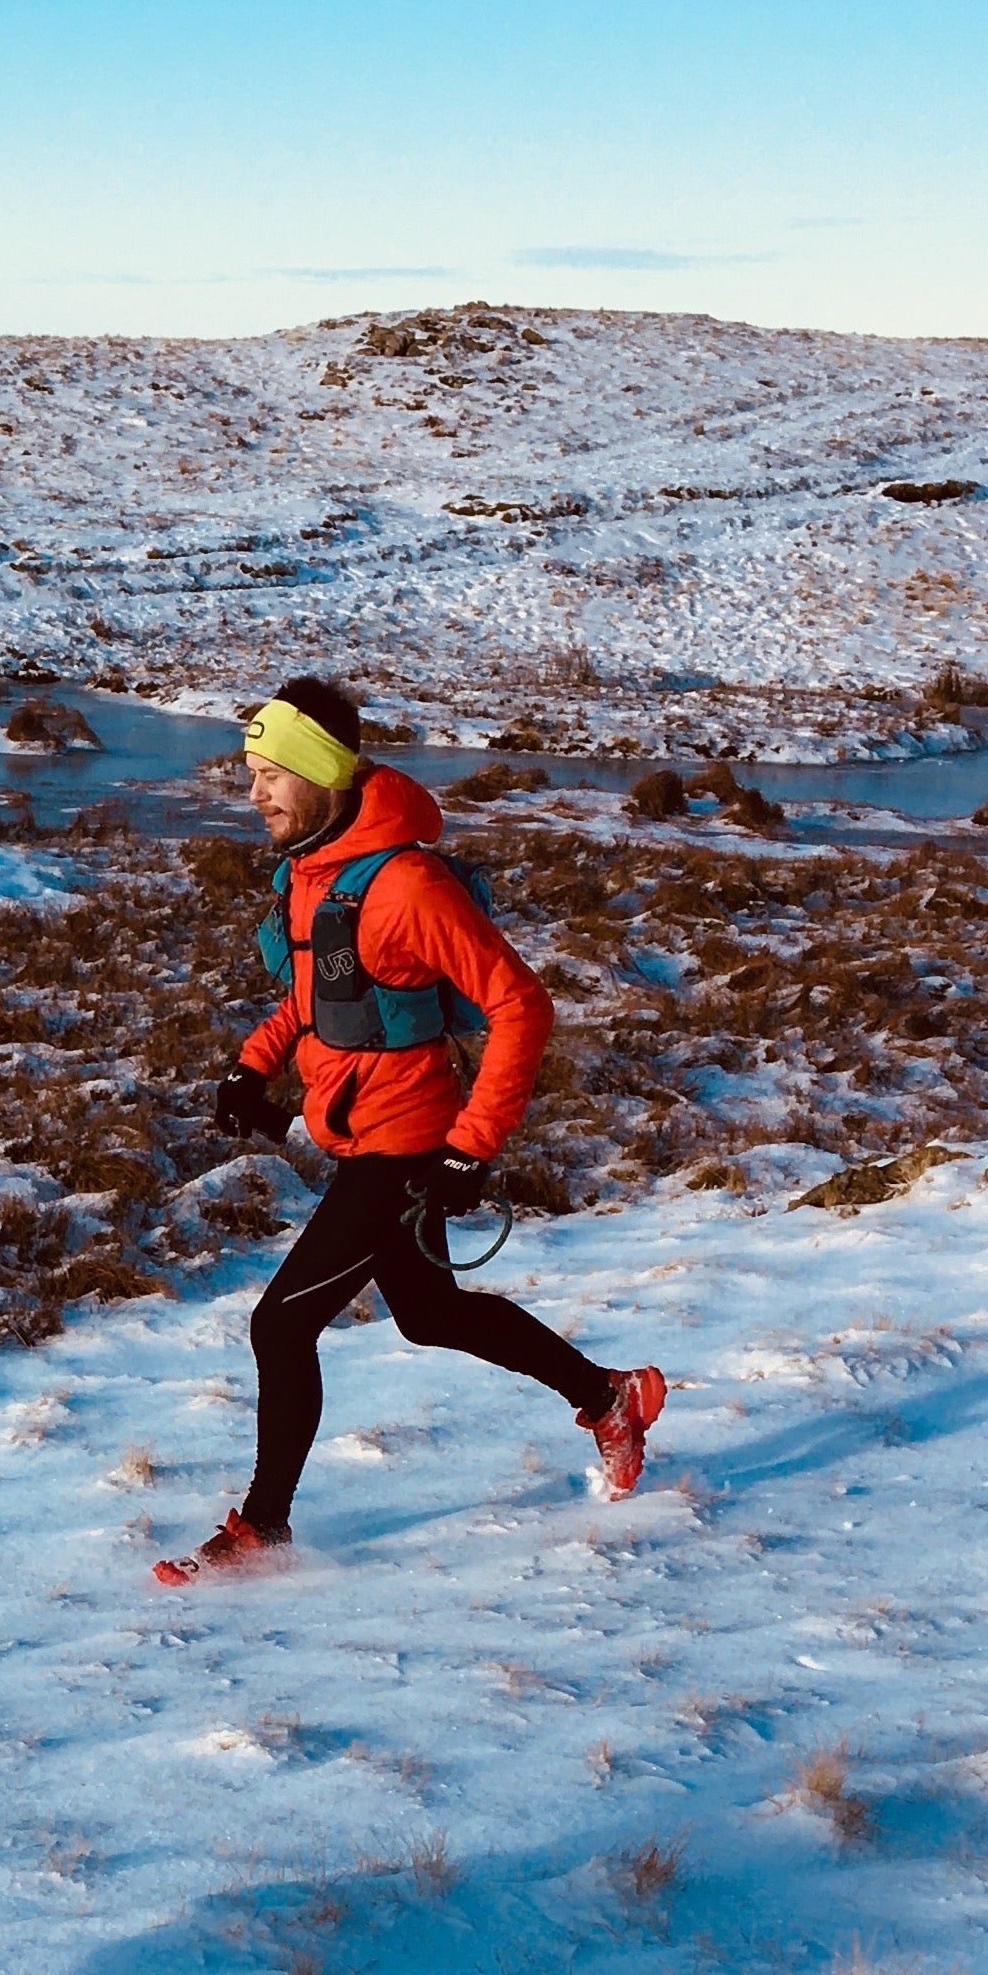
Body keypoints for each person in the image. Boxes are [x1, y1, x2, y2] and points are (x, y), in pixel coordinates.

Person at [161, 676, 667, 1583]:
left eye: (271, 772)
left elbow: (521, 1005)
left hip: (405, 1145)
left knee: (280, 1328)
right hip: (358, 1131)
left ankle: (263, 1530)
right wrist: (254, 1062)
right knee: (430, 1316)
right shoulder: (315, 873)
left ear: (319, 771)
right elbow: (323, 1000)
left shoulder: (406, 885)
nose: (254, 794)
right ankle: (609, 1397)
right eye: (250, 772)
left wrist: (472, 1144)